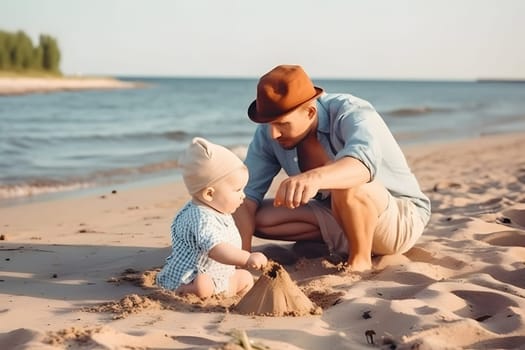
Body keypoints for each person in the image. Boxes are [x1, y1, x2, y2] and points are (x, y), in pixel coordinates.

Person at [233, 64, 431, 272]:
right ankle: (347, 238)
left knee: (344, 177)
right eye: (269, 124)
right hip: (338, 218)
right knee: (256, 216)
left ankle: (360, 261)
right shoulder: (269, 134)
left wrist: (315, 177)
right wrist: (242, 264)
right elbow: (244, 197)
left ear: (310, 112)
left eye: (282, 124)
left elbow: (363, 165)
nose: (273, 134)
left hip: (399, 220)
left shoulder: (352, 111)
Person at [156, 137, 268, 298]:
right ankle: (184, 290)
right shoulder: (200, 217)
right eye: (237, 190)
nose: (243, 195)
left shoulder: (218, 209)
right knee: (203, 285)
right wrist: (247, 258)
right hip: (191, 277)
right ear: (209, 194)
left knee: (245, 278)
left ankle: (223, 291)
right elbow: (216, 250)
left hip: (220, 274)